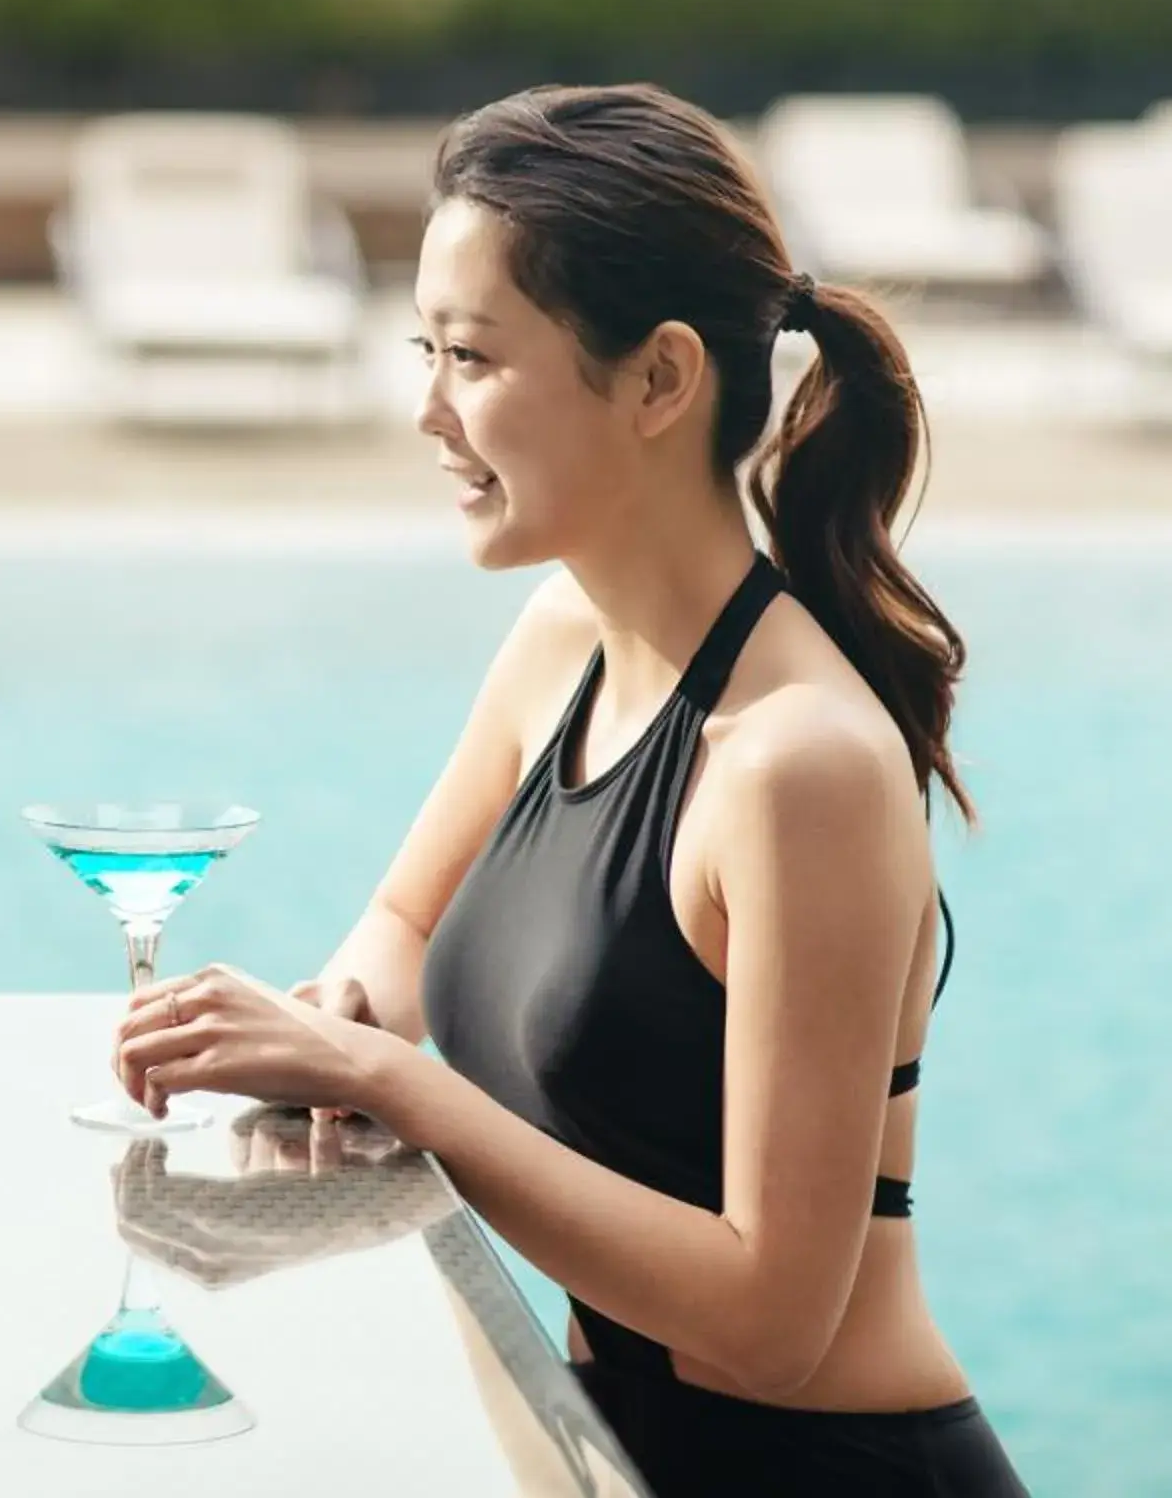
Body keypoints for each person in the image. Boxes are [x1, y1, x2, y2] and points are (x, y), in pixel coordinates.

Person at [114, 84, 1026, 1496]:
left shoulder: (801, 770)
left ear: (660, 380)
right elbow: (403, 938)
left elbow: (770, 1317)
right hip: (619, 1457)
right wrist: (340, 1022)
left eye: (472, 358)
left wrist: (385, 1086)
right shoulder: (565, 647)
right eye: (425, 348)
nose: (427, 410)